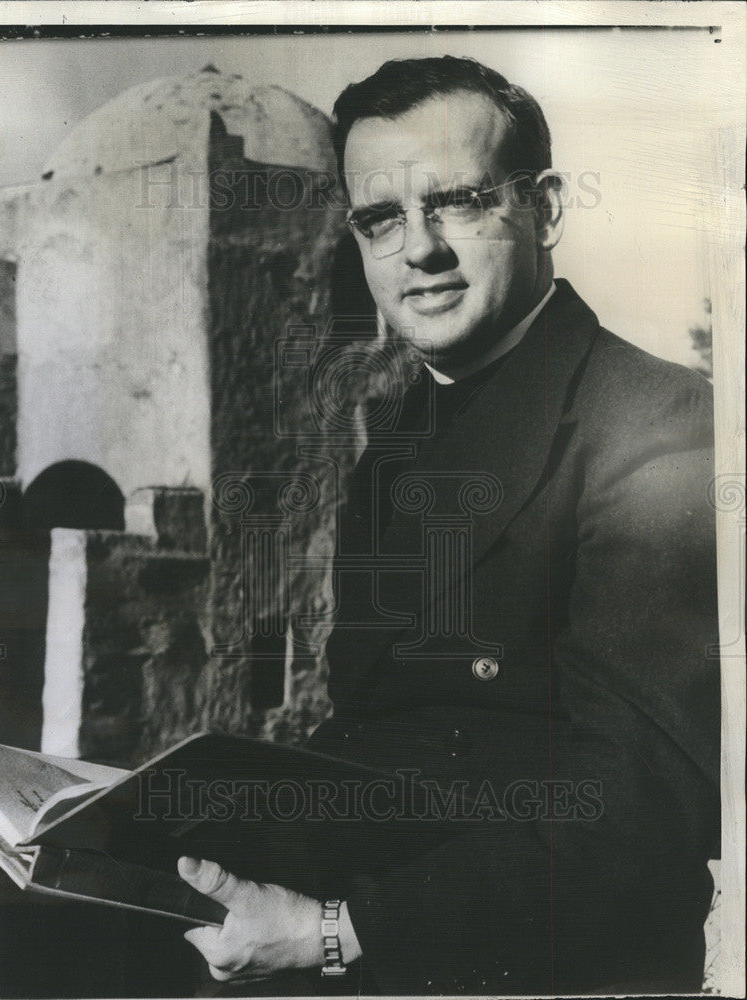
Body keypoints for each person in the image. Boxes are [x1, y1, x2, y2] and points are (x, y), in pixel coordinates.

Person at [177, 56, 720, 995]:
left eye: (460, 202)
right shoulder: (394, 443)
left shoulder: (662, 426)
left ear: (546, 209)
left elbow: (633, 813)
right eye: (378, 219)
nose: (417, 251)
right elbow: (375, 735)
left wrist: (335, 934)